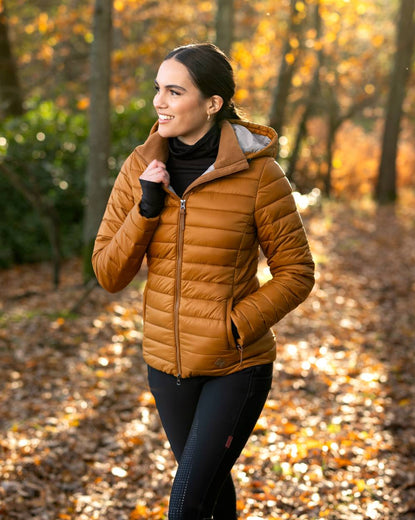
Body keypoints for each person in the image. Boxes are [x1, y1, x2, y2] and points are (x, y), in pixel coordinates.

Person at [92, 42, 315, 520]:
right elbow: (109, 273)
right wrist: (146, 208)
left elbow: (298, 272)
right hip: (165, 365)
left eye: (175, 91)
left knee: (187, 503)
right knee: (210, 493)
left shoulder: (259, 175)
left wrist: (234, 326)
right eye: (158, 89)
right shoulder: (140, 167)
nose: (159, 102)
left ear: (212, 104)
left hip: (234, 365)